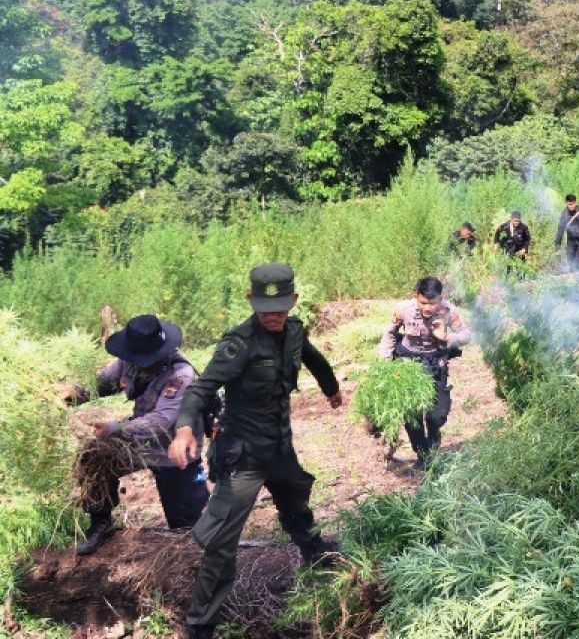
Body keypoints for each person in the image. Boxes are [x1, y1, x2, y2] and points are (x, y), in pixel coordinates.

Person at [169, 263, 342, 639]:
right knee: (220, 543)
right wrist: (184, 429)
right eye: (266, 309)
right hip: (243, 456)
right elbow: (200, 390)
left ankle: (314, 550)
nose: (274, 316)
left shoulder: (294, 330)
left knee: (296, 499)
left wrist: (331, 388)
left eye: (281, 308)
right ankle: (201, 625)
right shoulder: (239, 343)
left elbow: (312, 357)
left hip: (280, 446)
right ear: (250, 300)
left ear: (294, 300)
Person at [68, 314, 210, 555]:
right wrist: (70, 393)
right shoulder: (128, 361)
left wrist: (117, 428)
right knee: (93, 455)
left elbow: (161, 421)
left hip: (173, 451)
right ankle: (100, 521)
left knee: (186, 530)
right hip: (138, 441)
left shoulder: (181, 375)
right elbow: (101, 384)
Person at [378, 277, 472, 470]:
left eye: (433, 303)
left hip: (436, 366)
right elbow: (389, 333)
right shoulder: (404, 309)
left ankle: (434, 437)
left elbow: (466, 335)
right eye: (423, 302)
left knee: (436, 416)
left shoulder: (449, 311)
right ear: (416, 297)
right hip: (408, 368)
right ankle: (422, 456)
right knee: (412, 417)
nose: (428, 307)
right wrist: (385, 363)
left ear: (440, 299)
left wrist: (447, 337)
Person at [554, 194, 579, 272]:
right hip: (571, 241)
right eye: (569, 204)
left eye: (572, 204)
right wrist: (557, 246)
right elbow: (560, 230)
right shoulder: (564, 214)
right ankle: (574, 280)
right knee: (571, 263)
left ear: (575, 203)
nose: (571, 206)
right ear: (566, 203)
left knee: (577, 262)